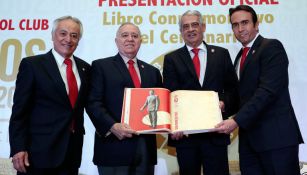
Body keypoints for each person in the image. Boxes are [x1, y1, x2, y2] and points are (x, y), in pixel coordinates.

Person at [215, 5, 304, 175]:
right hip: (250, 142)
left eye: (245, 23)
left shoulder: (271, 47)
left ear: (256, 24)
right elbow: (242, 95)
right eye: (235, 25)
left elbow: (267, 92)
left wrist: (236, 121)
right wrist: (222, 105)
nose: (240, 29)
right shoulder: (240, 57)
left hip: (276, 140)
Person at [9, 16, 91, 175]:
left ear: (79, 40)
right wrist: (18, 148)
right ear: (53, 36)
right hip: (37, 155)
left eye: (74, 35)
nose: (68, 39)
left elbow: (92, 104)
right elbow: (20, 111)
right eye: (63, 33)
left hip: (71, 154)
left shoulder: (85, 69)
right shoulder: (32, 65)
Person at [162, 10, 239, 175]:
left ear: (203, 27)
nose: (190, 29)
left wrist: (224, 104)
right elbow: (169, 96)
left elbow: (233, 90)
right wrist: (173, 125)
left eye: (195, 24)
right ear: (181, 31)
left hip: (216, 134)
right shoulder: (172, 59)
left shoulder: (221, 54)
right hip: (186, 137)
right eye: (186, 26)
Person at [86, 22, 162, 175]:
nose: (130, 39)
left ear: (140, 41)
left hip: (145, 150)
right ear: (116, 41)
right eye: (125, 35)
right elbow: (93, 103)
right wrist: (112, 126)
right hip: (113, 148)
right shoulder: (101, 66)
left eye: (135, 36)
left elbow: (161, 106)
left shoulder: (152, 72)